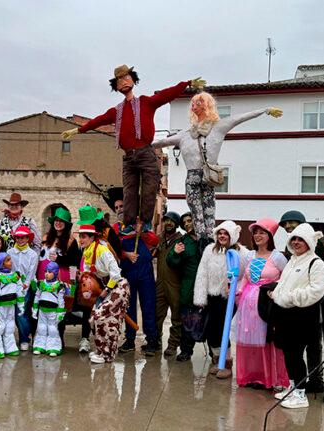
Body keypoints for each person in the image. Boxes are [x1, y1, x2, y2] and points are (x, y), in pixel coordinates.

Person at [61, 65, 206, 234]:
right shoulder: (116, 111)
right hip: (129, 157)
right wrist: (78, 130)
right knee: (129, 191)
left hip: (146, 152)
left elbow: (166, 95)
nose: (123, 82)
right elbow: (98, 120)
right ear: (116, 87)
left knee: (149, 189)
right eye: (119, 80)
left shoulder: (146, 102)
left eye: (126, 78)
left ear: (133, 80)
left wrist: (186, 84)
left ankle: (145, 222)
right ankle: (129, 224)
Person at [153, 93, 282, 246]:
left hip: (207, 176)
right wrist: (138, 143)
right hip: (196, 176)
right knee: (197, 211)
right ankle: (203, 240)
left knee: (208, 210)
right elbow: (161, 142)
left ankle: (207, 240)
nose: (194, 106)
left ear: (207, 105)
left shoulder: (218, 127)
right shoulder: (185, 134)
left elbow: (240, 118)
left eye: (199, 103)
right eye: (193, 104)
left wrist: (265, 110)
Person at [279, 210, 324, 403]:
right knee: (312, 343)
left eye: (292, 224)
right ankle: (315, 379)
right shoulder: (290, 247)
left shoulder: (322, 241)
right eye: (286, 226)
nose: (289, 228)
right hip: (307, 304)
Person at [269, 223, 324, 409]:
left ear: (309, 241)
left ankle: (301, 395)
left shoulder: (315, 263)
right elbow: (283, 283)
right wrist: (276, 294)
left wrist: (290, 297)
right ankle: (293, 388)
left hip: (302, 316)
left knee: (295, 355)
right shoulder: (293, 260)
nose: (296, 242)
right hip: (285, 315)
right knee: (288, 354)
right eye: (293, 239)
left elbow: (317, 291)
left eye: (300, 239)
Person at [234, 218, 289, 389]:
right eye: (255, 233)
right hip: (247, 304)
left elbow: (286, 278)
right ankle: (252, 376)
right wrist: (238, 290)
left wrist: (276, 290)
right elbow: (245, 277)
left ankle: (269, 378)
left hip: (267, 305)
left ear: (270, 236)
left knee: (267, 339)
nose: (257, 236)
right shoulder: (249, 255)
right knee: (250, 340)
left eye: (262, 233)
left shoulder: (277, 257)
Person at [194, 221, 248, 379]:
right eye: (220, 233)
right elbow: (202, 273)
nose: (222, 236)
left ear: (232, 236)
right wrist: (200, 297)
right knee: (211, 330)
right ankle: (217, 360)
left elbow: (246, 276)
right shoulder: (209, 250)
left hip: (229, 298)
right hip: (212, 296)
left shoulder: (242, 253)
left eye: (226, 233)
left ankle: (226, 363)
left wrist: (236, 288)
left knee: (222, 329)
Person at [76, 217, 129, 364]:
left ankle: (107, 354)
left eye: (84, 236)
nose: (81, 239)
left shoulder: (102, 250)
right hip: (105, 288)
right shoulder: (87, 251)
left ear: (92, 237)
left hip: (118, 287)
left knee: (104, 318)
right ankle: (101, 350)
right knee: (94, 318)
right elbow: (89, 274)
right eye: (80, 236)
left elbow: (116, 274)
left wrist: (106, 291)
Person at [112, 199, 160, 356]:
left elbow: (155, 241)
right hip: (128, 271)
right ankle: (130, 340)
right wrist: (126, 254)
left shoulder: (141, 224)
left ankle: (151, 340)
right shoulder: (116, 228)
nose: (119, 209)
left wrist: (141, 232)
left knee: (148, 305)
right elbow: (112, 249)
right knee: (129, 306)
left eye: (122, 206)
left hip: (145, 271)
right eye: (116, 207)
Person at [38, 207, 83, 349]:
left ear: (66, 224)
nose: (58, 223)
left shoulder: (71, 241)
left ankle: (58, 340)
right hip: (43, 278)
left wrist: (72, 283)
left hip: (62, 280)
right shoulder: (45, 238)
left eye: (61, 221)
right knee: (42, 308)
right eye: (56, 220)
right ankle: (41, 340)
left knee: (59, 309)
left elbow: (74, 263)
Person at [166, 212, 202, 362]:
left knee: (209, 319)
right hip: (189, 285)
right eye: (184, 223)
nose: (187, 224)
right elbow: (171, 262)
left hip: (207, 284)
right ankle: (186, 350)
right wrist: (175, 253)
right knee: (188, 319)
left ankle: (215, 353)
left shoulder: (207, 238)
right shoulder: (183, 242)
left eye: (189, 220)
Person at [155, 211, 183, 357]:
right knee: (157, 314)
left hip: (175, 284)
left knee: (176, 316)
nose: (169, 223)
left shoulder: (181, 240)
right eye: (166, 220)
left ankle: (173, 344)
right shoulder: (159, 239)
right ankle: (156, 341)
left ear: (177, 224)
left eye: (172, 221)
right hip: (160, 283)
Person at [7, 225, 39, 351]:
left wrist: (25, 285)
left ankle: (24, 339)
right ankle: (23, 334)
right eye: (18, 237)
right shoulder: (10, 252)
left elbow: (32, 272)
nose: (20, 240)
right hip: (11, 286)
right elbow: (8, 268)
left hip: (25, 287)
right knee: (12, 313)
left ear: (27, 239)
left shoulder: (33, 254)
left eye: (23, 237)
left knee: (21, 313)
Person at [0, 252, 24, 358]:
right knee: (0, 327)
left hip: (11, 305)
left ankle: (10, 347)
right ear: (1, 264)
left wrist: (21, 306)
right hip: (0, 307)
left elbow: (20, 292)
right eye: (8, 260)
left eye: (10, 259)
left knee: (10, 327)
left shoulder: (16, 276)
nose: (11, 262)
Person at [32, 262, 69, 356]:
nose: (46, 274)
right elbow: (37, 296)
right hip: (42, 311)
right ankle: (39, 346)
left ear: (55, 273)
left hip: (53, 312)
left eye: (49, 272)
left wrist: (60, 314)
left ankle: (53, 347)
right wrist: (34, 309)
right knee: (41, 328)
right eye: (46, 271)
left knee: (52, 329)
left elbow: (61, 302)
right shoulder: (40, 284)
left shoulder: (60, 286)